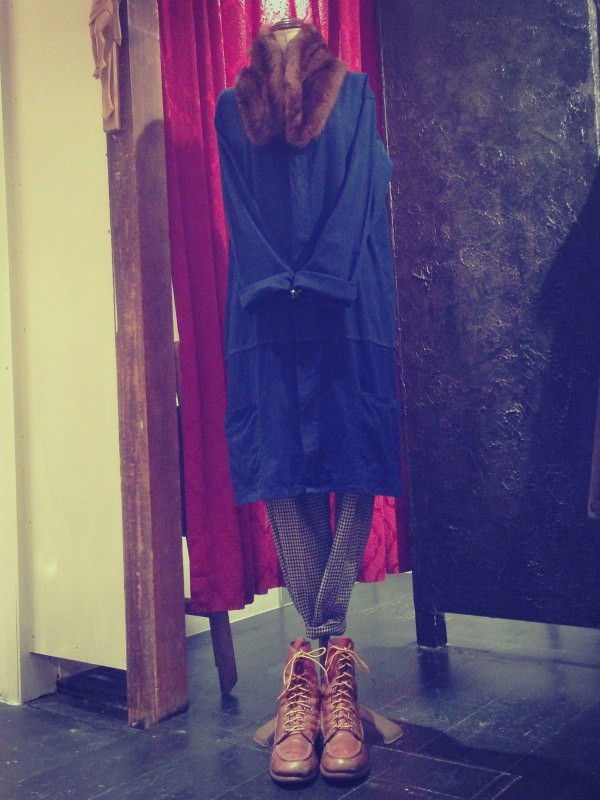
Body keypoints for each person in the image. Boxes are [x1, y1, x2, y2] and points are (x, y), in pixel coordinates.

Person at [215, 18, 402, 784]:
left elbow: (361, 191)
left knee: (355, 463)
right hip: (264, 312)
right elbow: (239, 209)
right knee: (281, 470)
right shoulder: (230, 109)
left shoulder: (355, 95)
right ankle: (331, 671)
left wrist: (320, 276)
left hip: (347, 303)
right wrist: (278, 281)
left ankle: (317, 664)